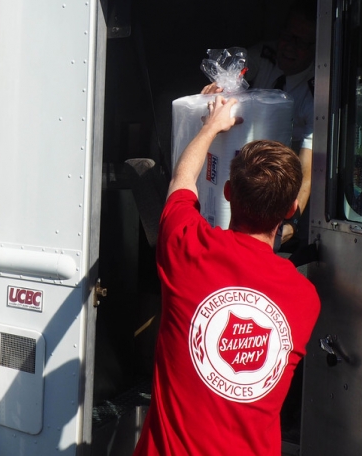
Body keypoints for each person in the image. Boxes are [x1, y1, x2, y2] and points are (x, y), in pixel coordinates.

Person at [132, 96, 320, 456]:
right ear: (292, 208)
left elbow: (182, 180)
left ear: (229, 193)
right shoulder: (304, 297)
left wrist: (211, 126)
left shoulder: (187, 248)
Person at [203, 0, 317, 250]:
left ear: (314, 48)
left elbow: (306, 169)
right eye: (287, 35)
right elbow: (243, 66)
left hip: (280, 180)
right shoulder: (265, 54)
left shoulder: (314, 94)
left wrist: (291, 223)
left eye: (301, 42)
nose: (289, 46)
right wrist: (222, 85)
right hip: (243, 164)